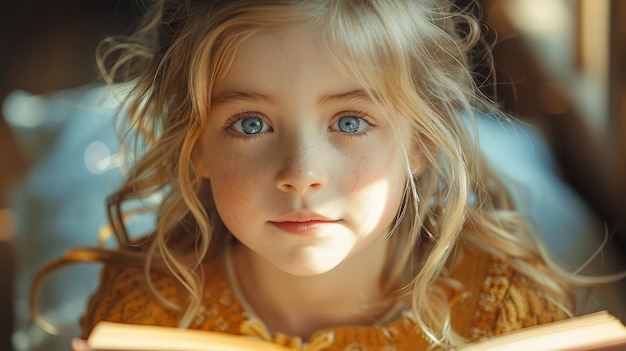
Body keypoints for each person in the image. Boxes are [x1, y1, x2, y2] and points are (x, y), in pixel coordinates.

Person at [29, 0, 623, 350]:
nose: (301, 174)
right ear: (196, 146)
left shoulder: (504, 315)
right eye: (251, 124)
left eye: (350, 120)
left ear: (419, 142)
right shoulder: (149, 311)